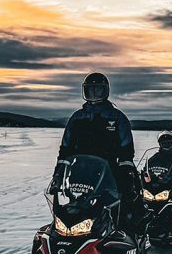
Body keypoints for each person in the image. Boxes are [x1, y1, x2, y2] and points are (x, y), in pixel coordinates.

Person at [55, 72, 143, 232]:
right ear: (85, 92)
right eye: (90, 90)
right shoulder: (77, 118)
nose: (94, 94)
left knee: (122, 206)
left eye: (98, 90)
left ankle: (127, 239)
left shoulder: (117, 118)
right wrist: (58, 174)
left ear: (106, 91)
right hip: (80, 173)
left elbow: (126, 150)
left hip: (111, 173)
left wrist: (126, 173)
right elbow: (65, 149)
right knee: (75, 209)